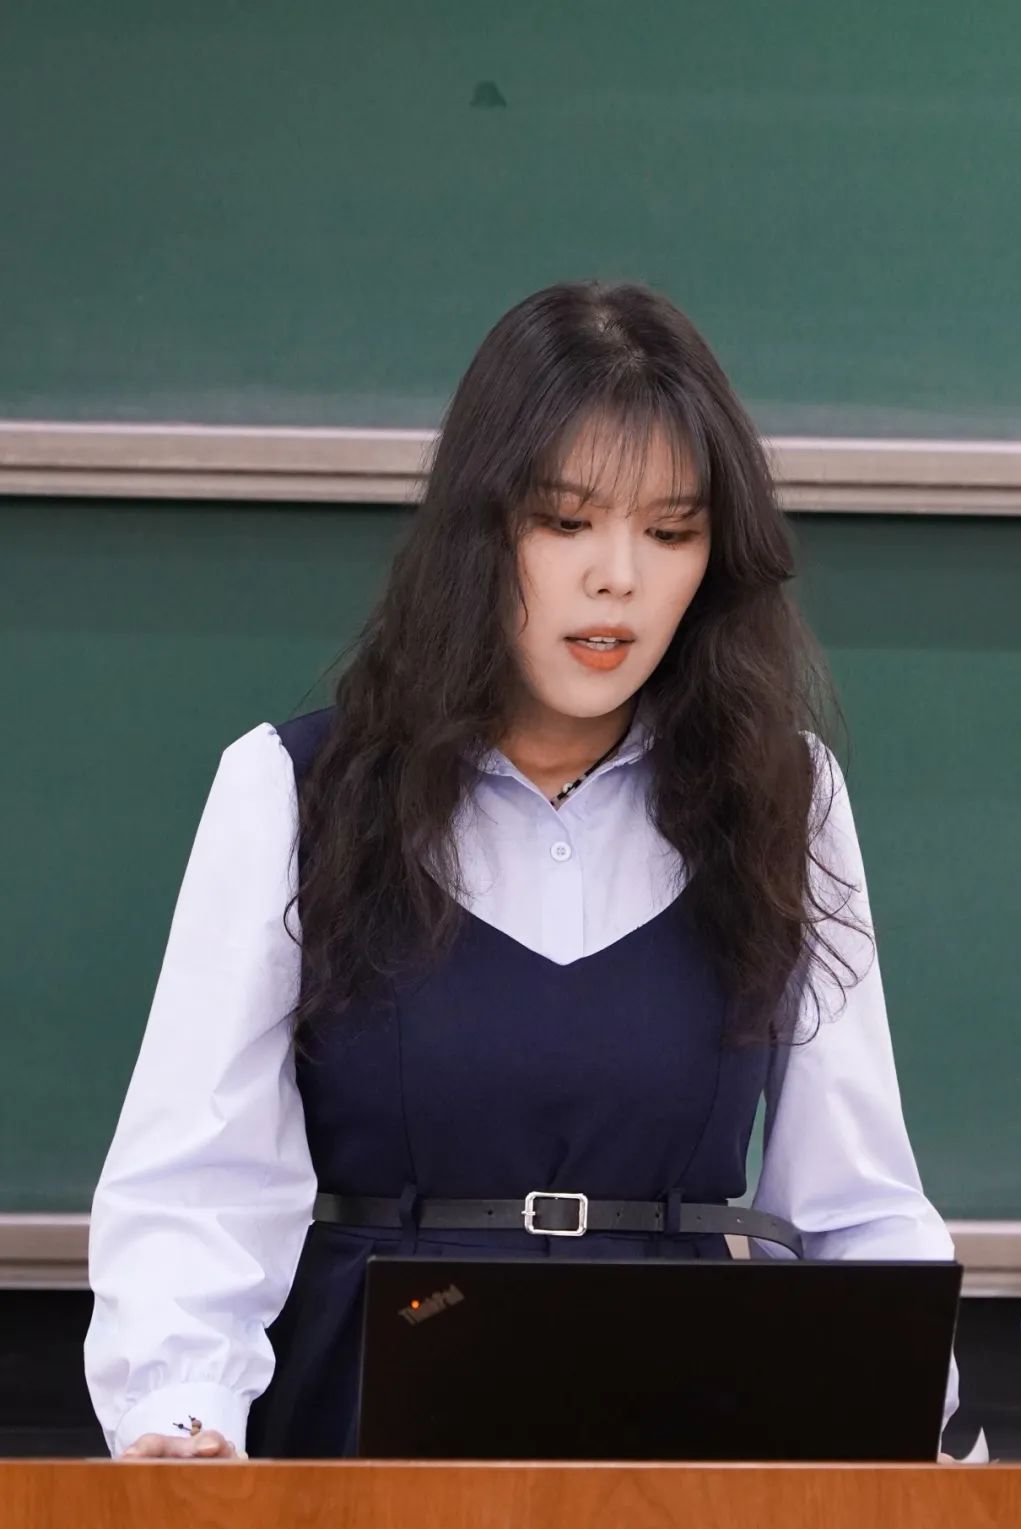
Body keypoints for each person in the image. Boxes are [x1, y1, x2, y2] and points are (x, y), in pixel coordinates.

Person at [85, 279, 958, 1461]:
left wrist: (932, 1440)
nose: (619, 578)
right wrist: (178, 1425)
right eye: (564, 522)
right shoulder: (294, 788)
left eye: (671, 531)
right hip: (365, 1421)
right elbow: (199, 1189)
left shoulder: (784, 797)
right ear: (478, 529)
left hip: (682, 1443)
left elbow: (856, 1209)